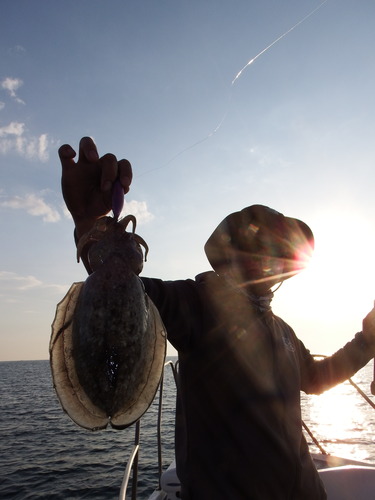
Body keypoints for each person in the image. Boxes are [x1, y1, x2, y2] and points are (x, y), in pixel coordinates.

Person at [59, 137, 375, 500]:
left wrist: (368, 339)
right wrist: (92, 225)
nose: (271, 258)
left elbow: (318, 378)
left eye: (281, 250)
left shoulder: (282, 330)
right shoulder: (198, 305)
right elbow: (120, 289)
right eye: (261, 246)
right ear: (233, 256)